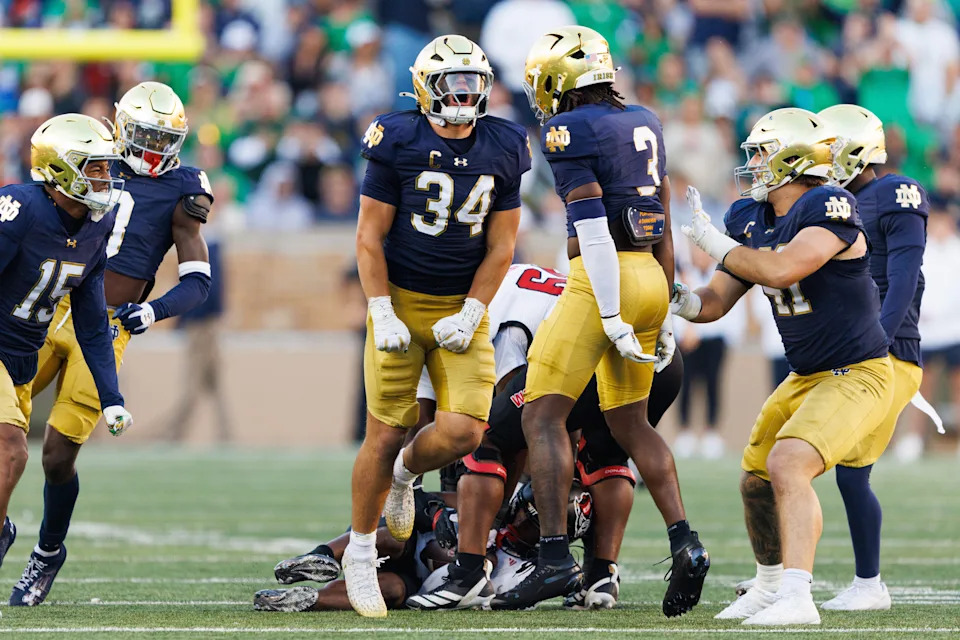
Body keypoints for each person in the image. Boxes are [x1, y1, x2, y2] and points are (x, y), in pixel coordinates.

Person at [495, 25, 708, 614]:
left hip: (605, 277)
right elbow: (659, 218)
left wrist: (610, 312)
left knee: (541, 416)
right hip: (648, 272)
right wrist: (661, 308)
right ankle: (685, 542)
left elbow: (590, 231)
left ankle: (555, 559)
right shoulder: (646, 120)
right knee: (633, 424)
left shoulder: (567, 128)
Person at [673, 107, 895, 625]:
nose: (751, 164)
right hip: (806, 375)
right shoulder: (749, 217)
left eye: (761, 153)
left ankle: (799, 595)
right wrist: (674, 301)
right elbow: (714, 302)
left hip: (857, 371)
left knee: (789, 463)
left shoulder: (830, 204)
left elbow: (783, 268)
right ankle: (770, 586)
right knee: (755, 479)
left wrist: (715, 245)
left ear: (793, 160)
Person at [348, 34, 530, 617]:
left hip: (461, 308)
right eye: (451, 83)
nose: (462, 94)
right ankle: (358, 551)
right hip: (399, 301)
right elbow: (369, 236)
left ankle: (405, 477)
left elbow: (501, 246)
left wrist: (475, 309)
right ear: (425, 87)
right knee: (382, 430)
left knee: (465, 433)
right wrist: (379, 308)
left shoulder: (503, 142)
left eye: (472, 83)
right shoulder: (396, 136)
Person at [11, 83, 212, 606]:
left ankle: (47, 554)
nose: (151, 148)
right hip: (42, 308)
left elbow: (198, 279)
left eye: (164, 138)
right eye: (143, 135)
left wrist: (154, 309)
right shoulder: (92, 159)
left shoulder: (184, 188)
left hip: (106, 324)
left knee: (57, 455)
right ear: (121, 127)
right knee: (6, 433)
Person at [409, 263, 683, 610]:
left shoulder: (477, 310)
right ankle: (601, 574)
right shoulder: (514, 279)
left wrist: (498, 514)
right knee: (604, 456)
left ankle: (469, 572)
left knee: (488, 438)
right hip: (655, 351)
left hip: (593, 351)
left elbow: (524, 416)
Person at [0, 114, 132, 601]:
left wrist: (112, 396)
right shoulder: (20, 207)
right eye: (94, 169)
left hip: (22, 357)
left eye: (105, 169)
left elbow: (93, 322)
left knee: (32, 457)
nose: (105, 179)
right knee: (11, 449)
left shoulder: (96, 226)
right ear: (59, 170)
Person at [816, 104, 927, 611]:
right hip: (852, 348)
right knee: (791, 460)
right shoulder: (834, 204)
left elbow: (902, 278)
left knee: (846, 470)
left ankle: (867, 585)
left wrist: (875, 344)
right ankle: (781, 578)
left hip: (887, 351)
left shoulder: (893, 194)